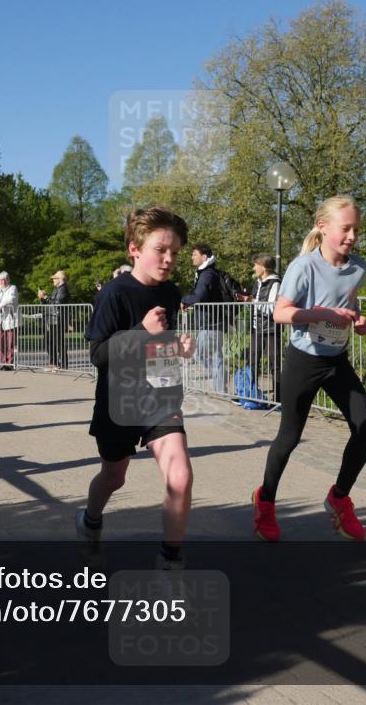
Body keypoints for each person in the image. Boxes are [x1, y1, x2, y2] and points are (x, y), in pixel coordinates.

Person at [76, 207, 196, 570]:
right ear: (134, 249)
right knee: (114, 476)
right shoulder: (113, 294)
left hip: (160, 398)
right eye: (160, 249)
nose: (169, 258)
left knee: (181, 475)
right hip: (119, 401)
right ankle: (90, 519)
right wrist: (142, 331)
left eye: (174, 251)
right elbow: (97, 354)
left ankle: (169, 560)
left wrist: (178, 348)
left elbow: (159, 346)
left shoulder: (172, 292)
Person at [252, 195, 366, 542]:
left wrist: (358, 321)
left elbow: (348, 303)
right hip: (304, 361)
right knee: (289, 438)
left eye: (356, 230)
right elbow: (280, 313)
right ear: (322, 228)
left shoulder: (359, 267)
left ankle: (339, 498)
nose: (351, 236)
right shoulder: (303, 266)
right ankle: (265, 502)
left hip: (336, 361)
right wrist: (321, 314)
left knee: (365, 428)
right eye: (345, 228)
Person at [181, 243, 227, 394]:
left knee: (199, 354)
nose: (192, 257)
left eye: (194, 254)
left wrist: (183, 299)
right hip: (214, 321)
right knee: (215, 355)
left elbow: (199, 297)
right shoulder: (209, 273)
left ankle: (220, 381)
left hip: (211, 322)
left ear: (204, 257)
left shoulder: (206, 274)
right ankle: (221, 388)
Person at [242, 253, 282, 404]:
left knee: (275, 364)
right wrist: (248, 300)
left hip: (271, 329)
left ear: (263, 267)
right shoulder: (258, 283)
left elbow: (271, 308)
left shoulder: (275, 283)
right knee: (252, 361)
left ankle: (278, 399)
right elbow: (256, 302)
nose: (253, 268)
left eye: (255, 265)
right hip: (255, 328)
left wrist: (253, 301)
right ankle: (250, 394)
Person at [38, 270, 70, 370]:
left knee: (58, 342)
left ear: (60, 279)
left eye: (54, 278)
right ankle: (54, 363)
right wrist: (43, 298)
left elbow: (57, 303)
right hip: (52, 319)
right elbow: (51, 303)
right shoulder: (57, 289)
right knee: (49, 341)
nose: (52, 280)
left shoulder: (63, 289)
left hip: (58, 319)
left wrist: (46, 297)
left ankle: (63, 365)